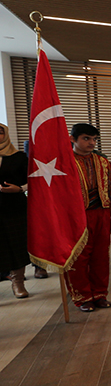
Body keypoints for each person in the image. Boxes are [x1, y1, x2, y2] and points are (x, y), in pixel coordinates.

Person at [67, 123, 111, 312]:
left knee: (100, 256)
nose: (91, 143)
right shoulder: (63, 163)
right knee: (79, 257)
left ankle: (99, 294)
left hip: (101, 214)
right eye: (86, 138)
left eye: (94, 139)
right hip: (76, 216)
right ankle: (82, 297)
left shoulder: (102, 161)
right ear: (73, 139)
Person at [0, 123, 29, 299]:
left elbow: (32, 180)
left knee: (17, 244)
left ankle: (18, 282)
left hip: (14, 206)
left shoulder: (18, 157)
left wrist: (19, 189)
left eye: (0, 132)